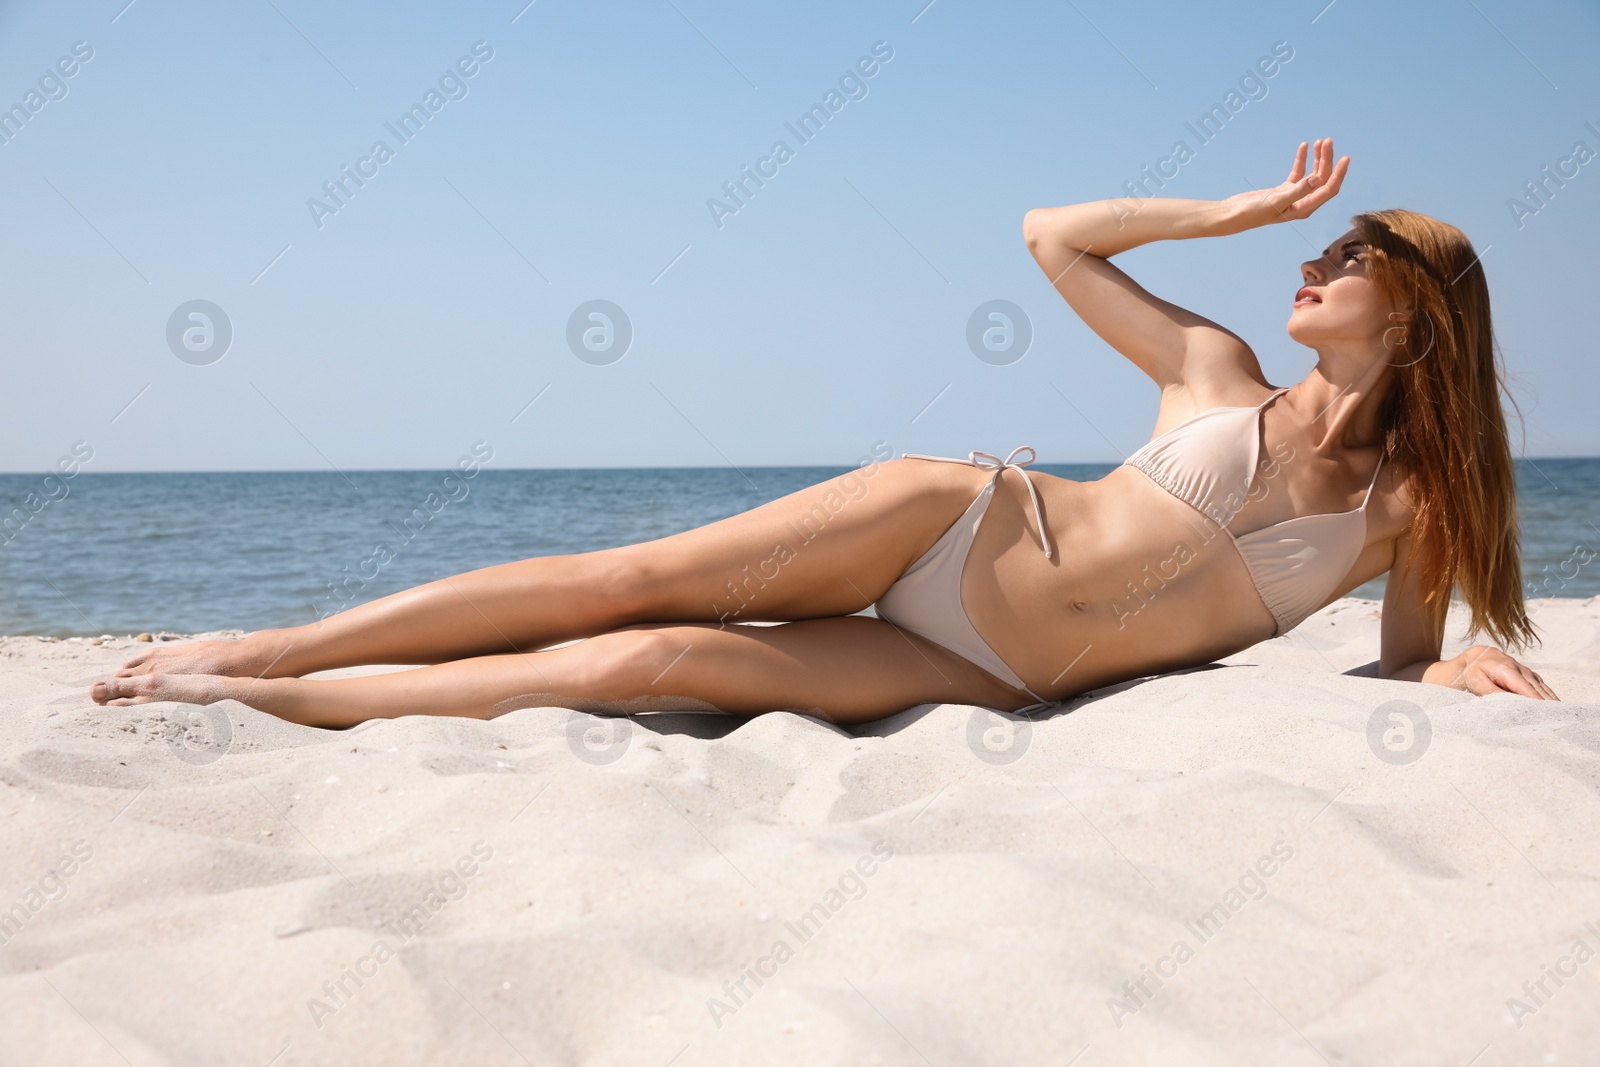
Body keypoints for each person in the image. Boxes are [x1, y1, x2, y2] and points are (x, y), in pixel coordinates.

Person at [91, 138, 1558, 727]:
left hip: (977, 675)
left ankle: (257, 703)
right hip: (957, 519)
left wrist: (1452, 660)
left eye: (1349, 259)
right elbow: (1054, 236)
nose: (1313, 266)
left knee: (637, 665)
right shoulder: (1216, 366)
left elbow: (1404, 654)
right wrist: (1225, 211)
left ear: (1419, 312)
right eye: (1317, 250)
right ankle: (275, 647)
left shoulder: (1406, 507)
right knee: (631, 579)